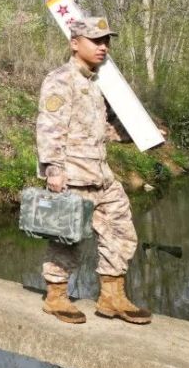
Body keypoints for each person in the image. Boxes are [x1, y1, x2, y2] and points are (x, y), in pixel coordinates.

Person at [36, 16, 151, 325]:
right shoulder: (60, 79)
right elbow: (49, 128)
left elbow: (107, 129)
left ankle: (112, 296)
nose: (103, 47)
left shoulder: (100, 85)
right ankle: (56, 297)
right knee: (66, 239)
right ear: (75, 44)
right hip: (71, 175)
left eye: (106, 42)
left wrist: (144, 134)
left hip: (100, 174)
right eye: (96, 41)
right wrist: (53, 170)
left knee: (121, 231)